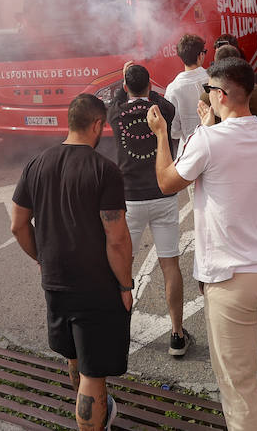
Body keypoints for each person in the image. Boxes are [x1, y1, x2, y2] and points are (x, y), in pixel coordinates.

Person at [146, 57, 257, 431]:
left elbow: (167, 181)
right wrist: (206, 128)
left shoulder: (207, 140)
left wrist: (162, 135)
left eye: (210, 90)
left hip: (231, 278)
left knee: (239, 386)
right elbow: (228, 152)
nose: (208, 97)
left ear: (223, 95)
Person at [10, 94, 132, 431]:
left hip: (55, 282)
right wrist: (125, 284)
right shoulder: (103, 170)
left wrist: (42, 258)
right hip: (95, 287)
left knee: (74, 356)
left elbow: (18, 224)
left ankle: (94, 418)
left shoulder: (36, 164)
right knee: (94, 374)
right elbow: (118, 239)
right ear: (96, 125)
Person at [106, 63, 190, 358]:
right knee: (170, 266)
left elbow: (117, 98)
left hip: (129, 200)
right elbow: (165, 103)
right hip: (162, 195)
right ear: (149, 87)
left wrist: (125, 78)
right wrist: (147, 92)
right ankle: (177, 335)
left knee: (121, 266)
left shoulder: (116, 114)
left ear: (126, 87)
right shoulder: (161, 111)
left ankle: (117, 332)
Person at [164, 34, 208, 146]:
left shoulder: (173, 88)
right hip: (215, 142)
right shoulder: (214, 78)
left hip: (188, 147)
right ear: (200, 56)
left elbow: (173, 131)